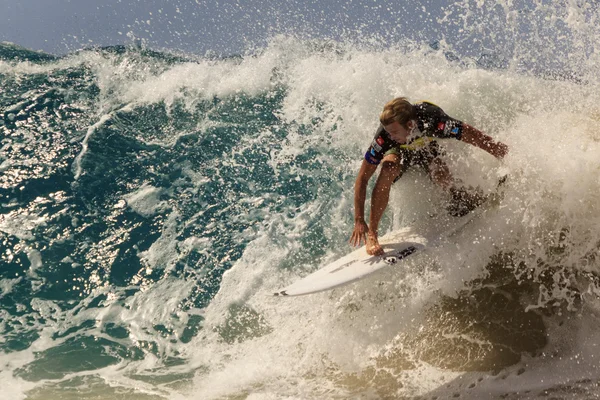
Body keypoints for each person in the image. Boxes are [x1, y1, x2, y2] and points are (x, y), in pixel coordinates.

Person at [350, 97, 509, 256]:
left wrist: (507, 157)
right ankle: (372, 234)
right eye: (388, 132)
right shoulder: (384, 137)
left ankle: (460, 198)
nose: (390, 136)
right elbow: (363, 178)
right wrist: (358, 219)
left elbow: (474, 136)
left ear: (410, 125)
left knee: (441, 174)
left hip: (427, 148)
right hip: (400, 153)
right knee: (388, 168)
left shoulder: (434, 121)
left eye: (394, 132)